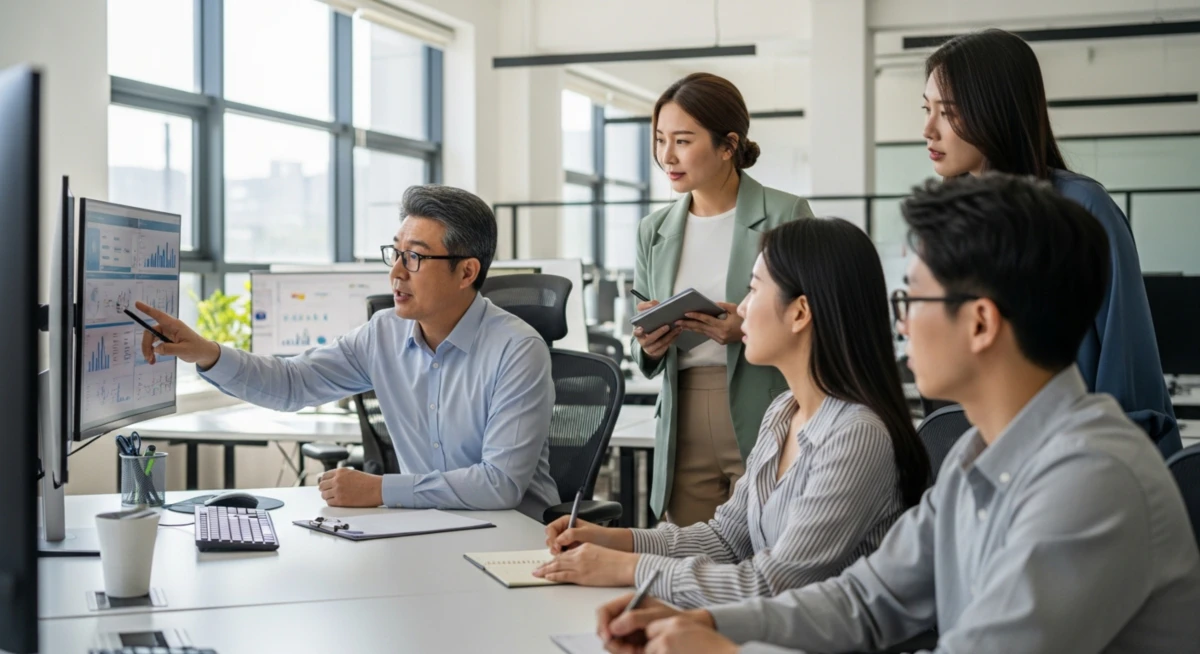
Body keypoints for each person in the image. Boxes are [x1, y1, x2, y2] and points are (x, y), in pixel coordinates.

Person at [593, 174, 1200, 654]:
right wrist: (703, 619)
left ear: (981, 322)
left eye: (912, 298)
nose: (901, 323)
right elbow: (867, 599)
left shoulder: (1091, 480)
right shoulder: (975, 455)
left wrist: (726, 649)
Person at [530, 218, 930, 608]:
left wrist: (627, 568)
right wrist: (612, 540)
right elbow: (727, 539)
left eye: (753, 291)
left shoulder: (855, 435)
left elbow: (775, 583)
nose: (741, 308)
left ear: (800, 312)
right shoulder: (783, 412)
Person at [136, 184, 560, 516]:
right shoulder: (383, 335)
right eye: (395, 253)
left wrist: (380, 489)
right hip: (426, 530)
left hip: (514, 542)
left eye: (413, 257)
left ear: (467, 271)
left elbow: (499, 484)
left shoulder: (518, 350)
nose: (395, 272)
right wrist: (205, 352)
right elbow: (292, 385)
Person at [920, 28, 1180, 457]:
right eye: (926, 109)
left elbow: (1129, 374)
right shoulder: (953, 223)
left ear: (994, 109)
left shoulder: (1081, 208)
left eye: (946, 112)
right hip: (982, 463)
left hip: (1085, 463)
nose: (928, 129)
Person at [632, 72, 814, 526]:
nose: (666, 156)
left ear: (728, 145)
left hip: (766, 401)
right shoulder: (653, 230)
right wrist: (649, 343)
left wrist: (746, 328)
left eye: (682, 140)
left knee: (764, 544)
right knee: (687, 556)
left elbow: (816, 320)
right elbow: (643, 338)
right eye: (659, 140)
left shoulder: (786, 214)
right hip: (684, 412)